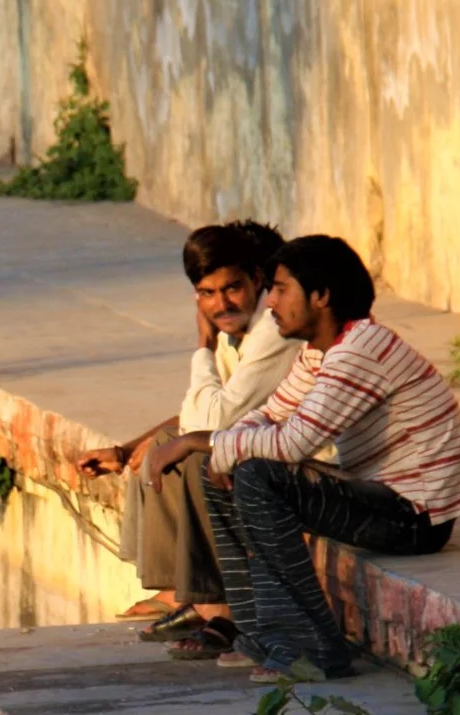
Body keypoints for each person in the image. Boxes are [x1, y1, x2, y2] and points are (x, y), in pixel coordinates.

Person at [165, 234, 460, 680]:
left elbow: (293, 443)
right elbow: (269, 415)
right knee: (220, 467)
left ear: (320, 296)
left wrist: (198, 442)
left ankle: (311, 647)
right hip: (379, 499)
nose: (271, 302)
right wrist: (220, 451)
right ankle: (261, 631)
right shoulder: (320, 351)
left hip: (413, 518)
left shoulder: (360, 350)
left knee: (259, 475)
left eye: (280, 289)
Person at [77, 222, 298, 659]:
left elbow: (213, 420)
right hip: (254, 439)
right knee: (165, 440)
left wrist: (201, 346)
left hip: (295, 458)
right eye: (207, 293)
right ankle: (184, 592)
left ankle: (220, 609)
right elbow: (200, 412)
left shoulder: (270, 331)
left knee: (200, 456)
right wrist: (127, 451)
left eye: (232, 288)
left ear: (257, 279)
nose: (222, 303)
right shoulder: (234, 330)